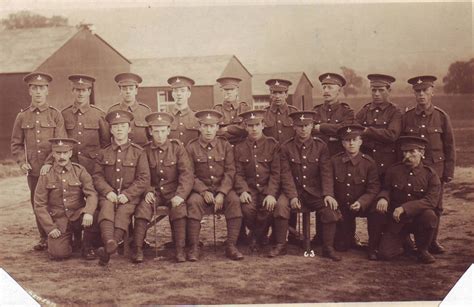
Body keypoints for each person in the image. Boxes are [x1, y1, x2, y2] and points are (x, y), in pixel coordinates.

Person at [11, 72, 67, 251]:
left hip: (54, 168)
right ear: (29, 91)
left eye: (41, 88)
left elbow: (60, 143)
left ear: (47, 91)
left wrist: (49, 163)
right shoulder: (22, 116)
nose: (38, 92)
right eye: (34, 88)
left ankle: (61, 235)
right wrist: (22, 162)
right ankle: (44, 237)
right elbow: (16, 143)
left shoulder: (55, 115)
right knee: (38, 203)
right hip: (34, 171)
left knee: (57, 202)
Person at [402, 75, 455, 254]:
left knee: (436, 207)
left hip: (436, 170)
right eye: (418, 91)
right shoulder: (407, 117)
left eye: (425, 90)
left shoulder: (441, 116)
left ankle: (431, 241)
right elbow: (401, 145)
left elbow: (449, 146)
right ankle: (408, 240)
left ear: (432, 91)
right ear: (414, 94)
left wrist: (448, 171)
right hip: (412, 170)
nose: (421, 94)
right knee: (410, 202)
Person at [278, 111, 342, 261]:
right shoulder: (286, 147)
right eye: (299, 126)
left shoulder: (321, 146)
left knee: (330, 209)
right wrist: (292, 196)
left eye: (306, 125)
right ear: (294, 127)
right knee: (281, 206)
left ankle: (328, 248)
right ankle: (281, 245)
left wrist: (328, 194)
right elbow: (285, 175)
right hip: (293, 190)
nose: (303, 129)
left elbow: (326, 173)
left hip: (314, 192)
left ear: (312, 126)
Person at [133, 112, 194, 263]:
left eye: (162, 131)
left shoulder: (177, 148)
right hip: (154, 192)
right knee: (143, 209)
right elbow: (143, 174)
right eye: (156, 131)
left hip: (174, 191)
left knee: (179, 209)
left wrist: (180, 195)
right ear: (150, 131)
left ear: (168, 131)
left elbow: (187, 174)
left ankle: (179, 250)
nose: (159, 135)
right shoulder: (144, 151)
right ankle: (138, 249)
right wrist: (147, 191)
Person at [92, 110, 150, 266]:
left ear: (129, 129)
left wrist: (128, 194)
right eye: (115, 126)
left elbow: (143, 178)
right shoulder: (103, 152)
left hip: (129, 197)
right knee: (106, 209)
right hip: (108, 194)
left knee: (124, 212)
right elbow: (97, 176)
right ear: (110, 130)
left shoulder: (138, 152)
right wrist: (107, 191)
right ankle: (110, 241)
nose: (119, 129)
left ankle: (109, 247)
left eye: (123, 126)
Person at [186, 110, 244, 261]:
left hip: (222, 188)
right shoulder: (191, 147)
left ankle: (231, 245)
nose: (208, 130)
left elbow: (230, 171)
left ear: (217, 127)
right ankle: (194, 247)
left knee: (234, 201)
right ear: (199, 127)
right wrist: (203, 190)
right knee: (193, 202)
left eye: (212, 126)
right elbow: (189, 174)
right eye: (205, 126)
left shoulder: (225, 146)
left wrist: (222, 192)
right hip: (200, 191)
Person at [377, 136, 441, 264]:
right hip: (397, 220)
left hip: (418, 218)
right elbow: (386, 188)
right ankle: (404, 241)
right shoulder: (394, 170)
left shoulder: (430, 175)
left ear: (422, 153)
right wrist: (383, 198)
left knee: (430, 216)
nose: (408, 156)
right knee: (385, 254)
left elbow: (431, 201)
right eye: (405, 152)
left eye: (412, 152)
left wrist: (404, 208)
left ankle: (423, 249)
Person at [34, 138, 98, 260]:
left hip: (77, 215)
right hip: (59, 220)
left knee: (96, 215)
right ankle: (69, 240)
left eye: (65, 153)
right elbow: (39, 204)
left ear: (70, 153)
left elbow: (91, 194)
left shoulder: (79, 170)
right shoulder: (46, 174)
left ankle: (86, 246)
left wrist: (88, 212)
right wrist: (50, 228)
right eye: (58, 153)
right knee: (58, 254)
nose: (61, 156)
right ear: (53, 154)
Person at [312, 72, 355, 247]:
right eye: (323, 87)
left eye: (330, 87)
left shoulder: (346, 111)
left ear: (339, 90)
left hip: (340, 162)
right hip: (319, 161)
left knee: (342, 196)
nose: (326, 91)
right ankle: (320, 236)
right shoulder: (315, 111)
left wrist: (321, 127)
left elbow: (345, 130)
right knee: (321, 196)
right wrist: (333, 133)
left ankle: (346, 237)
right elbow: (310, 130)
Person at [40, 74, 110, 175]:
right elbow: (59, 140)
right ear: (73, 91)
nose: (80, 93)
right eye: (77, 90)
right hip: (70, 165)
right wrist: (49, 162)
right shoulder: (64, 114)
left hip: (93, 166)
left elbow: (106, 143)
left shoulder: (99, 115)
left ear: (89, 92)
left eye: (84, 90)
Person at [331, 124, 382, 260]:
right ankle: (349, 237)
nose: (351, 143)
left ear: (360, 142)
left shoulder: (369, 163)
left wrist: (361, 202)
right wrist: (332, 199)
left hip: (363, 205)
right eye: (348, 141)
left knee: (376, 211)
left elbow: (373, 188)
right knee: (341, 246)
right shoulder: (335, 161)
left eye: (354, 140)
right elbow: (329, 184)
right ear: (342, 143)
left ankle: (373, 246)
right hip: (342, 206)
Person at [233, 110, 281, 254]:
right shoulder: (239, 147)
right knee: (247, 209)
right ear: (245, 127)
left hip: (267, 188)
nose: (254, 129)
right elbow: (238, 173)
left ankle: (255, 237)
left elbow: (276, 173)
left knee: (268, 208)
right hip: (250, 188)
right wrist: (243, 191)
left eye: (257, 125)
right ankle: (259, 236)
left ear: (263, 125)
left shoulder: (273, 145)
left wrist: (272, 193)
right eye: (250, 125)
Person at [355, 74, 402, 180]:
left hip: (387, 164)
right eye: (373, 90)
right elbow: (355, 129)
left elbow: (392, 135)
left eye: (381, 90)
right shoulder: (365, 110)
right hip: (366, 163)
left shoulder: (394, 111)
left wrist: (367, 131)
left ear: (389, 91)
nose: (376, 94)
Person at [108, 73, 151, 147]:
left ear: (136, 90)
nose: (128, 91)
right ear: (120, 91)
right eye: (124, 88)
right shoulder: (112, 111)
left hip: (141, 155)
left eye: (131, 88)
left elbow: (151, 137)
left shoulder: (145, 111)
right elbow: (107, 138)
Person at [213, 77, 250, 145]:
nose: (229, 92)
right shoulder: (217, 110)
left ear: (237, 91)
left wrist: (228, 128)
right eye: (226, 90)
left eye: (232, 89)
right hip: (222, 147)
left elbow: (246, 129)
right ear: (221, 91)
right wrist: (237, 131)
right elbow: (215, 132)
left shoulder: (244, 109)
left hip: (242, 146)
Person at [166, 76, 200, 145]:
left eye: (182, 91)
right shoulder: (166, 118)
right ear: (172, 94)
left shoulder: (197, 118)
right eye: (175, 90)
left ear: (188, 94)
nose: (179, 94)